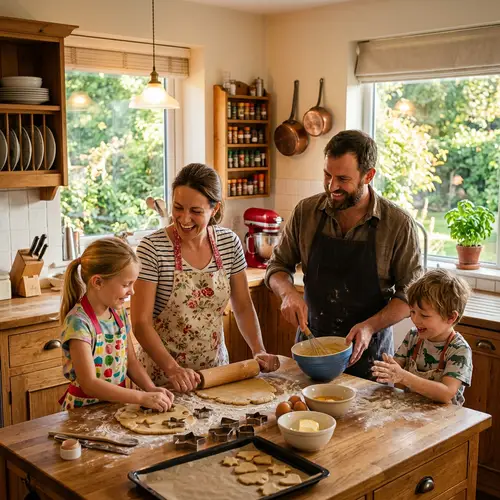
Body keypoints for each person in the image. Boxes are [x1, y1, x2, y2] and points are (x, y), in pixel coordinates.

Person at [265, 130, 422, 380]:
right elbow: (277, 266)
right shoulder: (307, 212)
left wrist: (370, 326)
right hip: (311, 349)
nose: (332, 186)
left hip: (370, 357)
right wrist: (288, 294)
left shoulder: (397, 225)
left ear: (368, 175)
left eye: (343, 179)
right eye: (327, 175)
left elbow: (410, 297)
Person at [131, 163, 280, 393]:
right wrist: (173, 369)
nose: (184, 218)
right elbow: (141, 323)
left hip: (214, 376)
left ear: (215, 209)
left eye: (196, 211)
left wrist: (258, 349)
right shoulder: (152, 249)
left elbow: (242, 305)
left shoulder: (229, 243)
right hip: (164, 382)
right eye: (178, 207)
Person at [59, 237, 174, 412]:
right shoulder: (79, 323)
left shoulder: (118, 313)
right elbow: (89, 384)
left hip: (116, 405)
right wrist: (141, 397)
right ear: (97, 282)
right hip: (83, 412)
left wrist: (150, 388)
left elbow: (131, 362)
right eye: (126, 284)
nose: (132, 291)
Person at [372, 269, 472, 405]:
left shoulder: (459, 350)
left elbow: (446, 393)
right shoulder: (413, 336)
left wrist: (403, 376)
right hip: (410, 411)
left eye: (424, 315)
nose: (415, 319)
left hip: (445, 419)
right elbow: (397, 368)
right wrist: (388, 368)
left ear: (451, 317)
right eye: (412, 312)